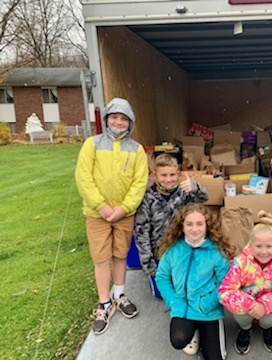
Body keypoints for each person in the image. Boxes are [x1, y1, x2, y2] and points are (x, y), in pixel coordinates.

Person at [75, 97, 148, 335]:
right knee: (101, 257)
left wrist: (124, 208)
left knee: (120, 253)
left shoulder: (136, 150)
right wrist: (101, 207)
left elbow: (139, 182)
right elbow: (83, 177)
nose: (119, 122)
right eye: (114, 117)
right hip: (98, 214)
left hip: (124, 214)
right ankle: (104, 302)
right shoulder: (92, 144)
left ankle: (119, 294)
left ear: (130, 122)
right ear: (107, 119)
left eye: (124, 118)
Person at [156, 203, 234, 360]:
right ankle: (193, 330)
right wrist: (173, 301)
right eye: (189, 224)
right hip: (182, 307)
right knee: (178, 340)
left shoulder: (216, 251)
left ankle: (202, 328)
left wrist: (208, 303)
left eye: (199, 224)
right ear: (182, 226)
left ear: (207, 226)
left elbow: (226, 283)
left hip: (207, 308)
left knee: (214, 357)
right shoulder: (173, 249)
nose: (194, 229)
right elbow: (162, 277)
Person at [218, 211, 272, 355]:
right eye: (258, 246)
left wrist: (264, 305)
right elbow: (225, 291)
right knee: (241, 315)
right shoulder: (240, 262)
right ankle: (245, 329)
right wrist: (251, 305)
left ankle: (266, 328)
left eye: (269, 246)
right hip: (247, 304)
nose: (264, 252)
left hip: (267, 304)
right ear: (251, 245)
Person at [135, 153, 208, 297]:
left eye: (172, 175)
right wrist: (149, 264)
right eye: (163, 175)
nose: (168, 179)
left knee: (190, 289)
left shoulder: (184, 192)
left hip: (183, 249)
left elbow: (204, 197)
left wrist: (195, 187)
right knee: (164, 293)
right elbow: (142, 232)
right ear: (155, 175)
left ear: (178, 174)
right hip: (160, 253)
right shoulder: (148, 198)